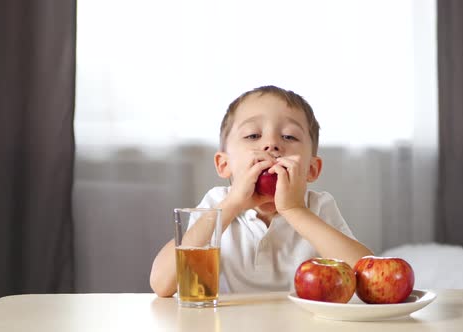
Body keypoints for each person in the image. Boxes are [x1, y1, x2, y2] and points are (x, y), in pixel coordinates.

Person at [150, 85, 373, 296]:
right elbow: (162, 284)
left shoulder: (318, 207)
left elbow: (369, 278)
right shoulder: (217, 204)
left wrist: (295, 210)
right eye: (253, 136)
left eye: (289, 136)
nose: (271, 145)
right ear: (224, 165)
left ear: (311, 170)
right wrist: (232, 204)